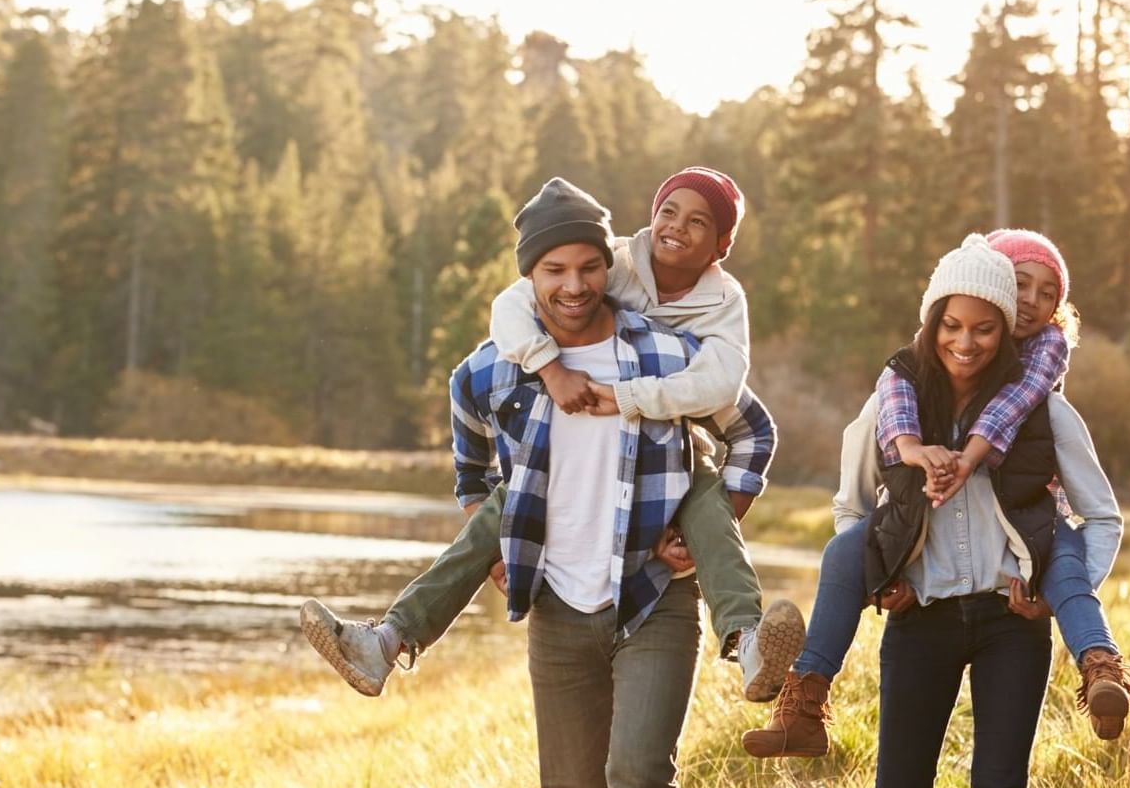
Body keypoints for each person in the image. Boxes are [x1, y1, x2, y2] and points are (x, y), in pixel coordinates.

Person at [414, 178, 777, 788]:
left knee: (639, 779)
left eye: (585, 268)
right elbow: (467, 427)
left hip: (652, 595)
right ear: (530, 280)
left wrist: (716, 512)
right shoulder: (508, 356)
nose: (573, 285)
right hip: (558, 606)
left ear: (604, 273)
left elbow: (750, 426)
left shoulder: (661, 352)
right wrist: (482, 517)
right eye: (552, 271)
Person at [300, 170, 802, 705]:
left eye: (698, 221)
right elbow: (512, 307)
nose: (676, 227)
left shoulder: (722, 304)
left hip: (674, 451)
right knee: (503, 507)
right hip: (563, 454)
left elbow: (729, 390)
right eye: (669, 211)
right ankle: (386, 641)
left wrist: (698, 520)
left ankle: (748, 642)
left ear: (722, 246)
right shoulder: (611, 262)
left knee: (706, 504)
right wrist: (548, 369)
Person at [824, 237, 1121, 788]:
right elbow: (848, 508)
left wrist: (1052, 591)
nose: (968, 340)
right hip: (919, 620)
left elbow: (1102, 518)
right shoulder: (894, 404)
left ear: (1002, 329)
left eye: (986, 326)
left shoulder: (1044, 411)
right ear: (935, 322)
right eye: (954, 325)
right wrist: (880, 577)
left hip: (1007, 625)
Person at [743, 228, 1130, 760]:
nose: (1033, 303)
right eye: (1021, 285)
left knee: (1065, 561)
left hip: (1028, 534)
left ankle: (1100, 665)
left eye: (1048, 294)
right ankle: (805, 700)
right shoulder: (906, 377)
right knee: (843, 551)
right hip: (921, 574)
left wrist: (968, 458)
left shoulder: (1041, 372)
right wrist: (885, 568)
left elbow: (1016, 410)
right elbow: (867, 464)